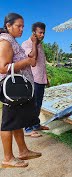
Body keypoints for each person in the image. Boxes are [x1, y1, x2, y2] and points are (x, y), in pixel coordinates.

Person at [0, 13, 41, 168]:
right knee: (8, 123)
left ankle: (23, 151)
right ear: (8, 26)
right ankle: (8, 158)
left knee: (17, 122)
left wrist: (31, 53)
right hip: (11, 89)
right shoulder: (5, 42)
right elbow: (3, 68)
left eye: (23, 26)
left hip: (18, 89)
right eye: (19, 26)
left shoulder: (13, 42)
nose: (22, 29)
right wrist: (26, 62)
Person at [22, 22, 50, 138]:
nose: (42, 35)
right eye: (40, 32)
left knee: (38, 104)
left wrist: (46, 77)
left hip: (41, 78)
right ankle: (27, 129)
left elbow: (41, 64)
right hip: (32, 79)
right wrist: (34, 43)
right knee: (31, 105)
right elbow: (33, 59)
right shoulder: (26, 44)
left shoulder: (40, 45)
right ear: (34, 32)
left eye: (44, 32)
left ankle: (36, 125)